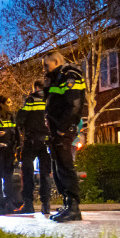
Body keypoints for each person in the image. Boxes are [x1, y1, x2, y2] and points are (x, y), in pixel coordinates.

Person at [43, 51, 86, 222]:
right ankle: (68, 204)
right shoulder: (57, 78)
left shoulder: (70, 76)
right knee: (58, 166)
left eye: (47, 65)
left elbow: (74, 104)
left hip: (64, 128)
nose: (45, 69)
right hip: (56, 128)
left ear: (56, 61)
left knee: (65, 166)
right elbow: (52, 102)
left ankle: (74, 207)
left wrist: (62, 128)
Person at [15, 78, 52, 215]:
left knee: (28, 172)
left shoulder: (31, 100)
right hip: (47, 141)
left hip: (32, 141)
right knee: (45, 173)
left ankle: (29, 204)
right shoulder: (50, 100)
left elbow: (20, 119)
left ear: (35, 88)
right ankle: (46, 204)